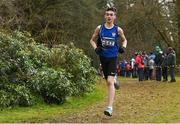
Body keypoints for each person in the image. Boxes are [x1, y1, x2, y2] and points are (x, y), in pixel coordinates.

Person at [90, 7, 127, 116]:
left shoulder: (118, 30)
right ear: (105, 16)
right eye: (107, 14)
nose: (109, 16)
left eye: (111, 14)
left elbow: (125, 40)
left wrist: (123, 47)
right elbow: (92, 40)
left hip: (113, 57)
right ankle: (114, 80)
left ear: (114, 17)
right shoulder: (99, 28)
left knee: (109, 82)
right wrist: (96, 48)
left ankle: (109, 108)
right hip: (103, 58)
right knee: (108, 81)